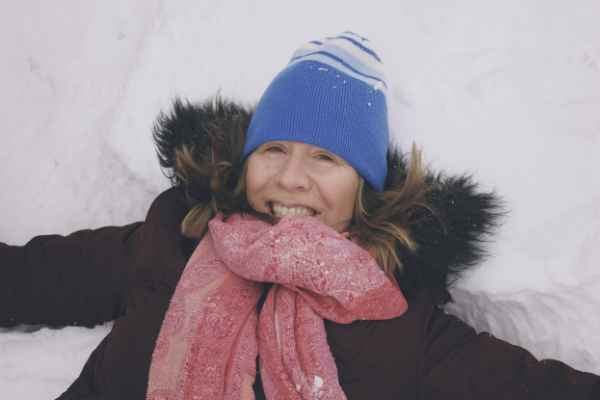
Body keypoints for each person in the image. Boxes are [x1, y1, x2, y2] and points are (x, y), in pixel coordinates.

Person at [1, 32, 598, 399]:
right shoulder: (177, 238)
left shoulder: (394, 321)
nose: (291, 178)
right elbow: (38, 277)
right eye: (274, 149)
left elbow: (526, 388)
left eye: (325, 158)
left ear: (364, 188)